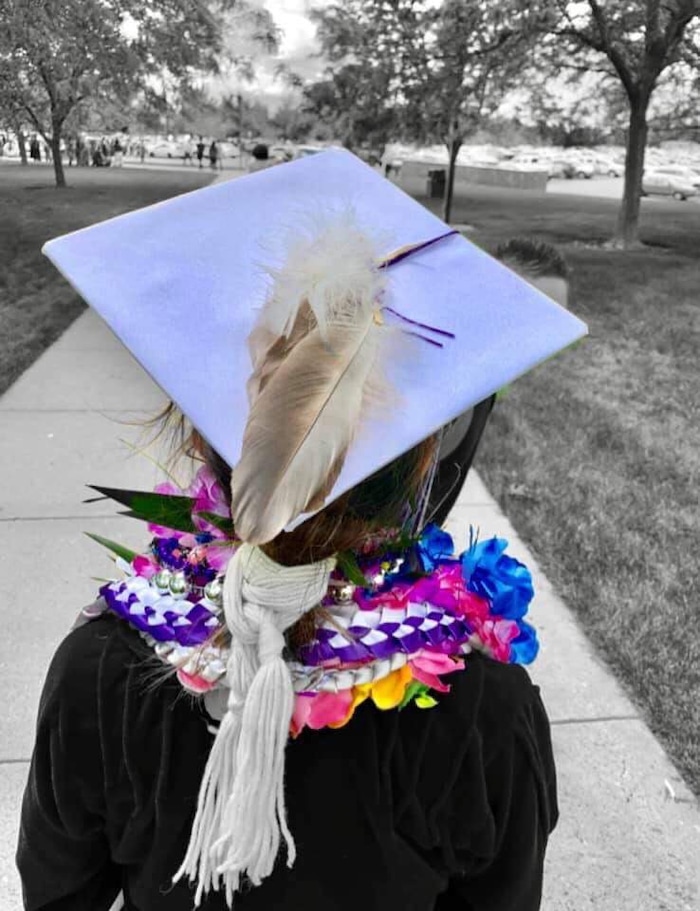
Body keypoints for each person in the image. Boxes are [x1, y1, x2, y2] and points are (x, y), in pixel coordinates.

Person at [18, 153, 586, 910]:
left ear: (204, 437)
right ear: (426, 465)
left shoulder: (103, 670)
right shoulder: (481, 711)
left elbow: (59, 894)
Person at [428, 238, 571, 527]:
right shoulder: (427, 377)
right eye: (531, 314)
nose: (542, 337)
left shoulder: (485, 382)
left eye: (557, 324)